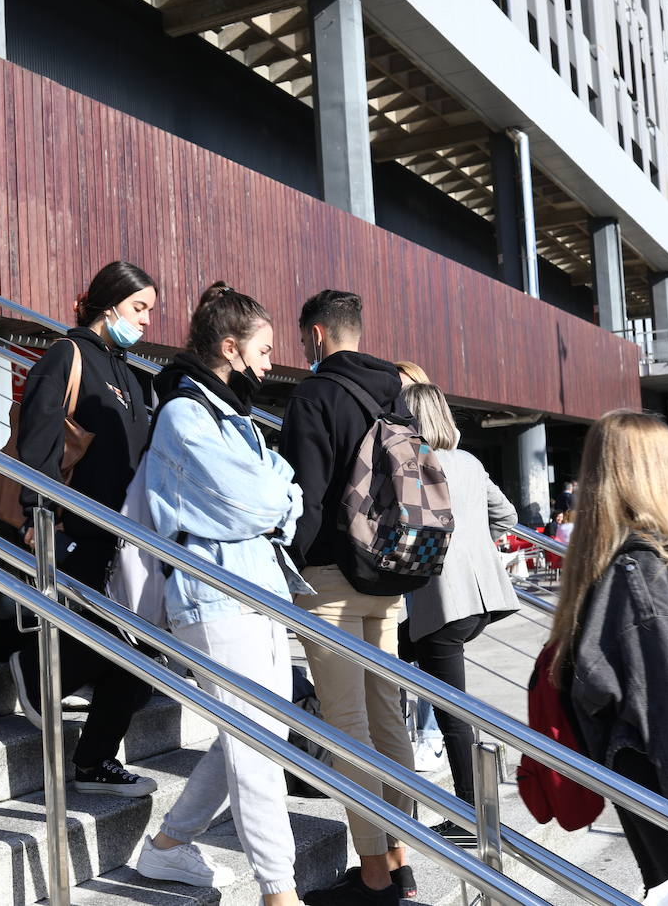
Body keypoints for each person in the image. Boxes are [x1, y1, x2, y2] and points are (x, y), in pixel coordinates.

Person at [134, 283, 306, 906]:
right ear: (229, 348)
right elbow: (259, 499)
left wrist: (271, 503)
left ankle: (169, 846)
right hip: (213, 597)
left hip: (254, 588)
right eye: (262, 349)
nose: (269, 362)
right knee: (256, 745)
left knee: (263, 735)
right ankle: (279, 893)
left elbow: (285, 494)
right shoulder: (186, 413)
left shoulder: (232, 417)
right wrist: (272, 503)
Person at [547, 410, 668, 904]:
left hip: (639, 774)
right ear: (650, 476)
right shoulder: (642, 575)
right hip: (663, 780)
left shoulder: (606, 566)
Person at [0, 260, 158, 795]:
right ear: (109, 304)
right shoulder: (67, 356)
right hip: (76, 528)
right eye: (139, 308)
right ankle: (35, 665)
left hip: (123, 535)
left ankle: (93, 759)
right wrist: (39, 515)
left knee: (141, 649)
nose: (146, 322)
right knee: (119, 640)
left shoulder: (130, 375)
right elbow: (39, 440)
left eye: (150, 311)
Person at [281, 289, 414, 905]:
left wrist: (292, 558)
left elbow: (304, 494)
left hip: (332, 579)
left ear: (315, 335)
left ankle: (374, 878)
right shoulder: (399, 391)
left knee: (348, 728)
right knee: (388, 716)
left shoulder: (314, 396)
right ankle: (402, 856)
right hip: (389, 575)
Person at [395, 384, 520, 837]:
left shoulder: (416, 464)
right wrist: (475, 541)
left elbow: (405, 533)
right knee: (394, 663)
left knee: (451, 714)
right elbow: (506, 516)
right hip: (480, 598)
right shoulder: (470, 462)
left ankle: (473, 818)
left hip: (443, 602)